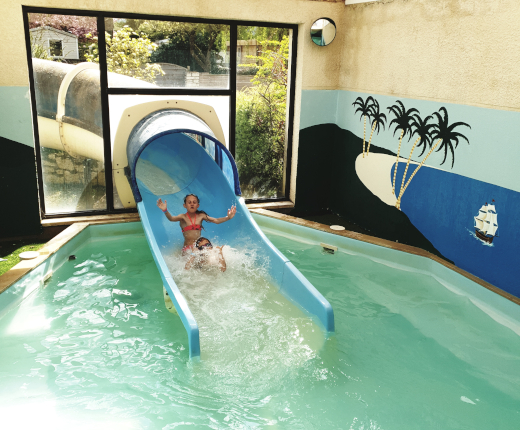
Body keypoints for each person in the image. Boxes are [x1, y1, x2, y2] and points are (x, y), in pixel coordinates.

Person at [156, 194, 236, 255]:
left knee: (209, 257)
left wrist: (228, 217)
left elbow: (216, 220)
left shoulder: (201, 216)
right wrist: (165, 210)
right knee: (189, 263)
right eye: (189, 202)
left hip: (198, 247)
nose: (192, 204)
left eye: (194, 202)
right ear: (185, 205)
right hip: (187, 248)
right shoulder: (182, 217)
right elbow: (171, 218)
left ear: (198, 205)